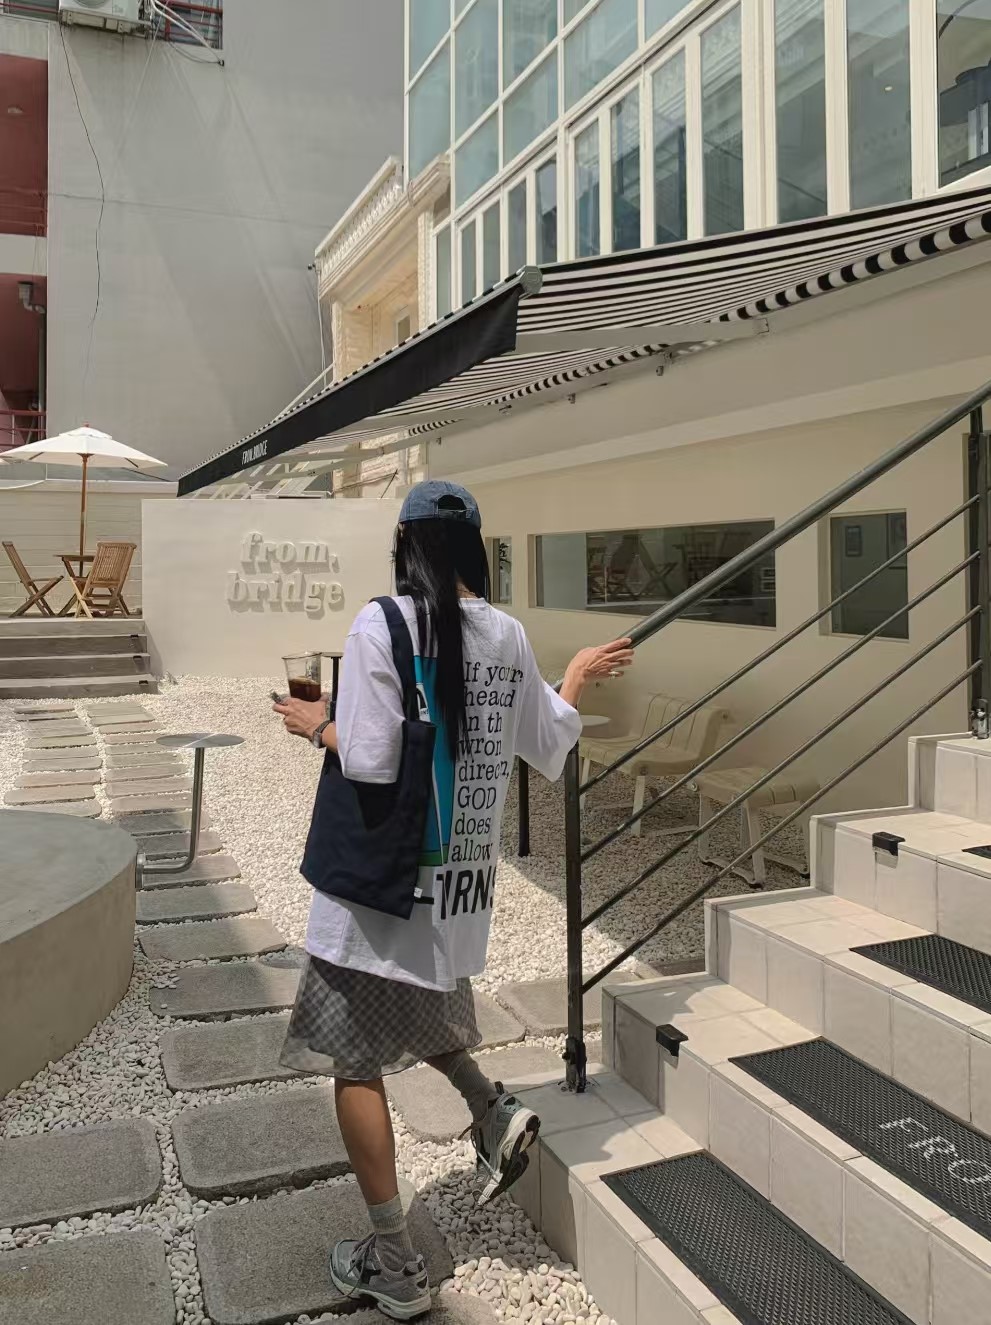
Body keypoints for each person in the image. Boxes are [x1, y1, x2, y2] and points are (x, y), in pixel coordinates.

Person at [273, 479, 633, 1321]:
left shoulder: (384, 622)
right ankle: (490, 1109)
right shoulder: (505, 633)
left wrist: (316, 723)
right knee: (417, 1004)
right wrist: (576, 675)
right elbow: (546, 740)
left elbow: (369, 758)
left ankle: (395, 1261)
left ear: (404, 545)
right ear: (473, 546)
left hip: (379, 883)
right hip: (456, 882)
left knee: (353, 1061)